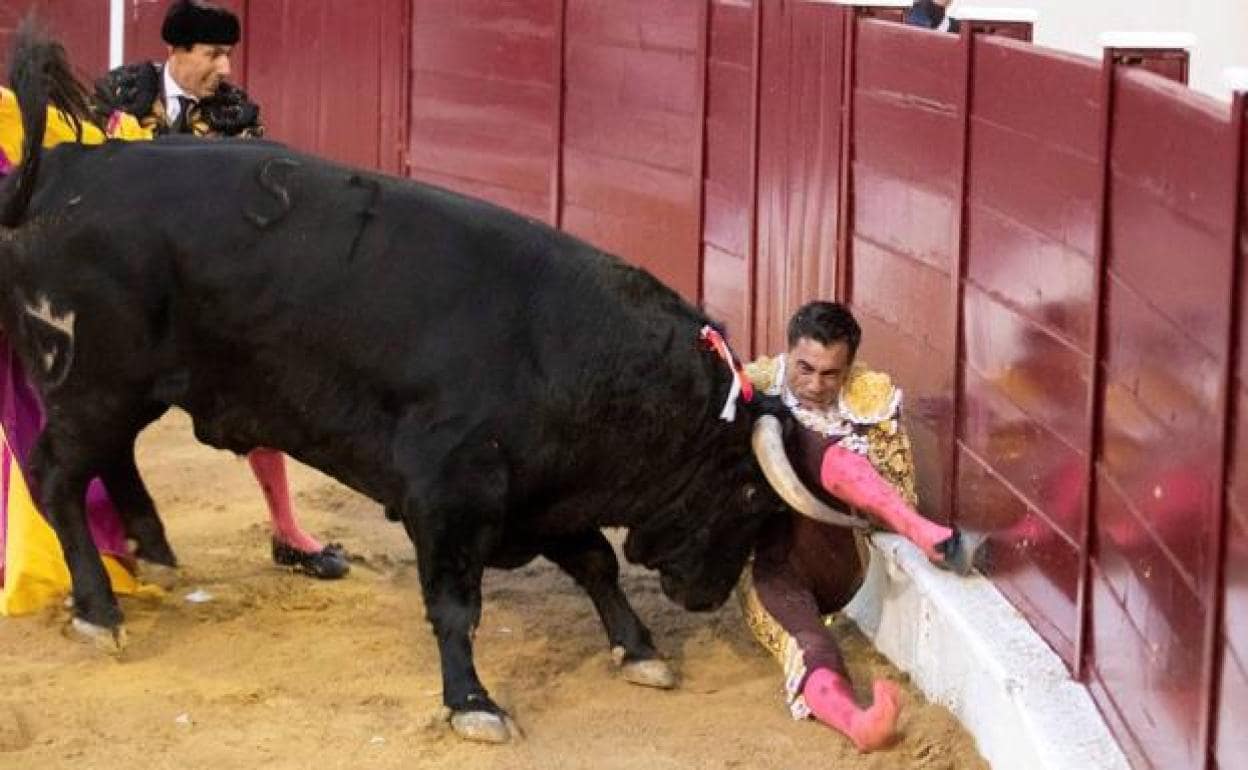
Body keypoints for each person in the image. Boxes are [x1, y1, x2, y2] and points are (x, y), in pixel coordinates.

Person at [92, 0, 346, 579]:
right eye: (212, 54)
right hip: (120, 284)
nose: (225, 68)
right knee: (85, 408)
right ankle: (83, 540)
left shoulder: (235, 113)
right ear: (177, 54)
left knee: (258, 401)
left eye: (228, 54)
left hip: (200, 289)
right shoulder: (120, 94)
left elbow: (256, 201)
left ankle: (288, 533)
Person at [737, 301, 984, 752]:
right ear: (786, 353)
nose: (815, 385)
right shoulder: (754, 384)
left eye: (831, 375)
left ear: (849, 369)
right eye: (805, 368)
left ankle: (920, 531)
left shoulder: (870, 395)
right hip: (771, 564)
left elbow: (896, 489)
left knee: (797, 435)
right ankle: (859, 722)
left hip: (841, 555)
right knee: (809, 642)